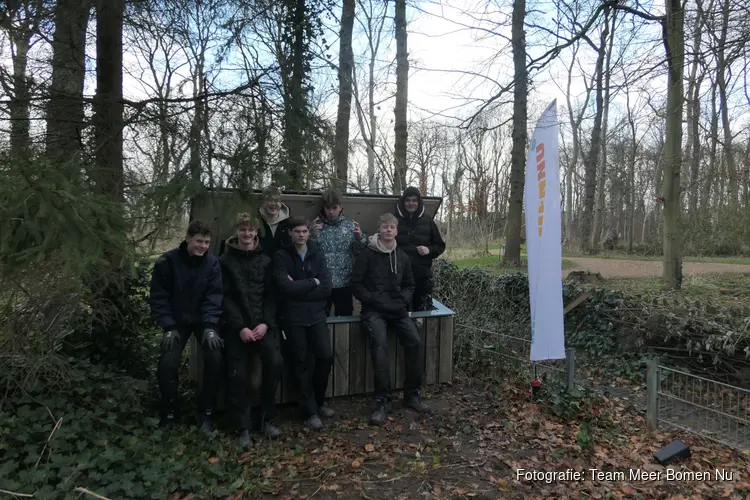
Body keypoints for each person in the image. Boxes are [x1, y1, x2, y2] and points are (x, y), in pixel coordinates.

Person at [350, 213, 431, 426]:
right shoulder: (367, 254)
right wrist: (373, 301)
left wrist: (402, 301)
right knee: (379, 346)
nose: (388, 230)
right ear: (379, 230)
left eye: (392, 227)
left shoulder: (402, 256)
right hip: (374, 311)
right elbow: (356, 284)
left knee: (414, 342)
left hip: (397, 310)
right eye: (385, 227)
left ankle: (412, 394)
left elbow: (410, 285)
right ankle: (382, 401)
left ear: (396, 231)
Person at [149, 220, 224, 433]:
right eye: (199, 241)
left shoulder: (212, 263)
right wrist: (168, 325)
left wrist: (210, 325)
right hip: (176, 322)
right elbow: (159, 297)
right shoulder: (167, 261)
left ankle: (205, 412)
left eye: (207, 242)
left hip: (203, 320)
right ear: (188, 238)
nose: (202, 246)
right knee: (167, 363)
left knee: (215, 356)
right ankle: (170, 413)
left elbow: (214, 296)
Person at [219, 213, 283, 449]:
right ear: (237, 232)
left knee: (274, 363)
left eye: (251, 230)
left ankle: (267, 418)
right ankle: (243, 426)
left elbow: (271, 296)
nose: (247, 234)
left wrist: (265, 323)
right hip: (238, 328)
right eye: (243, 230)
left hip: (262, 326)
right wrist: (240, 327)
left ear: (257, 232)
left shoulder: (265, 260)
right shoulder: (225, 261)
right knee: (238, 374)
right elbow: (224, 298)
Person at [273, 216, 334, 430]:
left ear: (309, 233)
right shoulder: (281, 255)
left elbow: (326, 287)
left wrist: (299, 287)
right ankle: (309, 411)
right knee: (300, 362)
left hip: (317, 315)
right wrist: (311, 282)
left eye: (304, 231)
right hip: (293, 318)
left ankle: (318, 402)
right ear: (290, 233)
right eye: (297, 231)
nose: (301, 235)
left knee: (325, 357)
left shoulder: (317, 253)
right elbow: (283, 288)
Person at [311, 189, 367, 316]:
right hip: (323, 283)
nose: (331, 211)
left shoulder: (349, 227)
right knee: (319, 319)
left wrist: (359, 238)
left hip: (345, 283)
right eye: (328, 208)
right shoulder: (317, 228)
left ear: (341, 207)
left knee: (344, 320)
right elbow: (309, 254)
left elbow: (359, 253)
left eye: (334, 207)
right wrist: (312, 236)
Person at [394, 186, 446, 311]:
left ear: (419, 202)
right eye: (408, 200)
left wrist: (429, 250)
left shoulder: (428, 221)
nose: (411, 203)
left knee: (422, 312)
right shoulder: (394, 220)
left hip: (421, 275)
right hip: (398, 276)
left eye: (414, 200)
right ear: (403, 202)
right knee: (399, 311)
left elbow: (440, 246)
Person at [258, 186, 292, 258]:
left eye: (276, 200)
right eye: (269, 200)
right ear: (263, 202)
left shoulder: (290, 223)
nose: (273, 203)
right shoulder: (255, 221)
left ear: (281, 202)